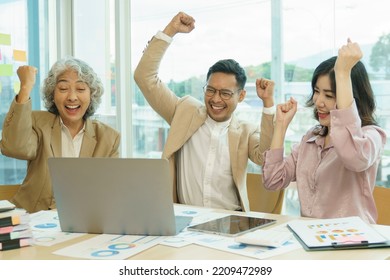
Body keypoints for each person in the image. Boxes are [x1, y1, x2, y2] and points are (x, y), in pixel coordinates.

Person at [134, 12, 275, 212]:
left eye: (225, 93)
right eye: (211, 90)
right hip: (183, 221)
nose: (216, 99)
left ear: (241, 96)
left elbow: (266, 158)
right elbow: (144, 77)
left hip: (230, 223)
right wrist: (170, 31)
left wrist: (268, 103)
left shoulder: (246, 131)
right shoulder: (184, 112)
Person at [262, 39, 387, 224]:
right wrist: (280, 126)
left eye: (329, 95)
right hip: (312, 240)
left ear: (353, 97)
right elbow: (273, 180)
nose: (318, 101)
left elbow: (353, 156)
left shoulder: (372, 137)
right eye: (316, 91)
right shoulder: (311, 138)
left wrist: (343, 72)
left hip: (351, 243)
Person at [0, 58, 120, 213]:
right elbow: (14, 148)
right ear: (53, 94)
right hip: (32, 220)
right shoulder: (38, 122)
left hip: (82, 222)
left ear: (92, 95)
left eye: (81, 89)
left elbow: (111, 192)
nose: (72, 97)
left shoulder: (108, 137)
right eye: (63, 88)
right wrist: (25, 87)